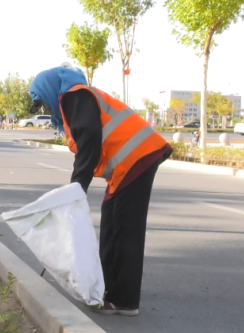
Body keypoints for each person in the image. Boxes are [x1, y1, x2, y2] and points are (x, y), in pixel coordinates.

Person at [28, 64, 172, 316]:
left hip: (136, 157)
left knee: (124, 228)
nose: (46, 108)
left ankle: (124, 301)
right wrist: (76, 188)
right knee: (112, 223)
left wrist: (76, 188)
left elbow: (89, 141)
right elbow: (89, 143)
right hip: (130, 162)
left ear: (50, 87)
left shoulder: (74, 95)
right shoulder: (76, 98)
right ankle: (109, 289)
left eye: (43, 101)